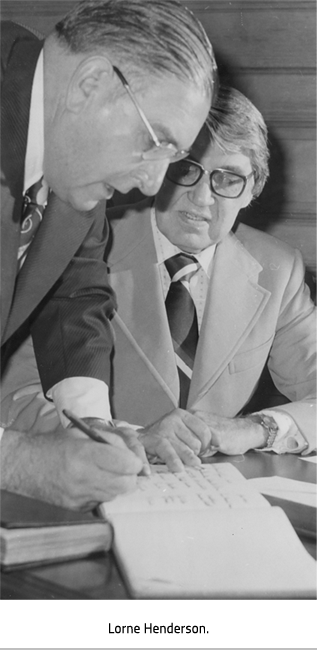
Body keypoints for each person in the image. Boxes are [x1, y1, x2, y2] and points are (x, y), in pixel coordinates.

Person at [0, 0, 217, 510]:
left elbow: (75, 291)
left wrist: (92, 427)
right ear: (90, 84)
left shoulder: (73, 155)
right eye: (155, 142)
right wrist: (18, 461)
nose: (152, 184)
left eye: (173, 157)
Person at [104, 85, 317, 458]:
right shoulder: (88, 248)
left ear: (254, 189)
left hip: (211, 493)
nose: (202, 198)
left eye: (228, 178)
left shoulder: (278, 269)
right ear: (156, 169)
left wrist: (256, 428)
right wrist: (131, 441)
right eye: (186, 169)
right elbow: (19, 393)